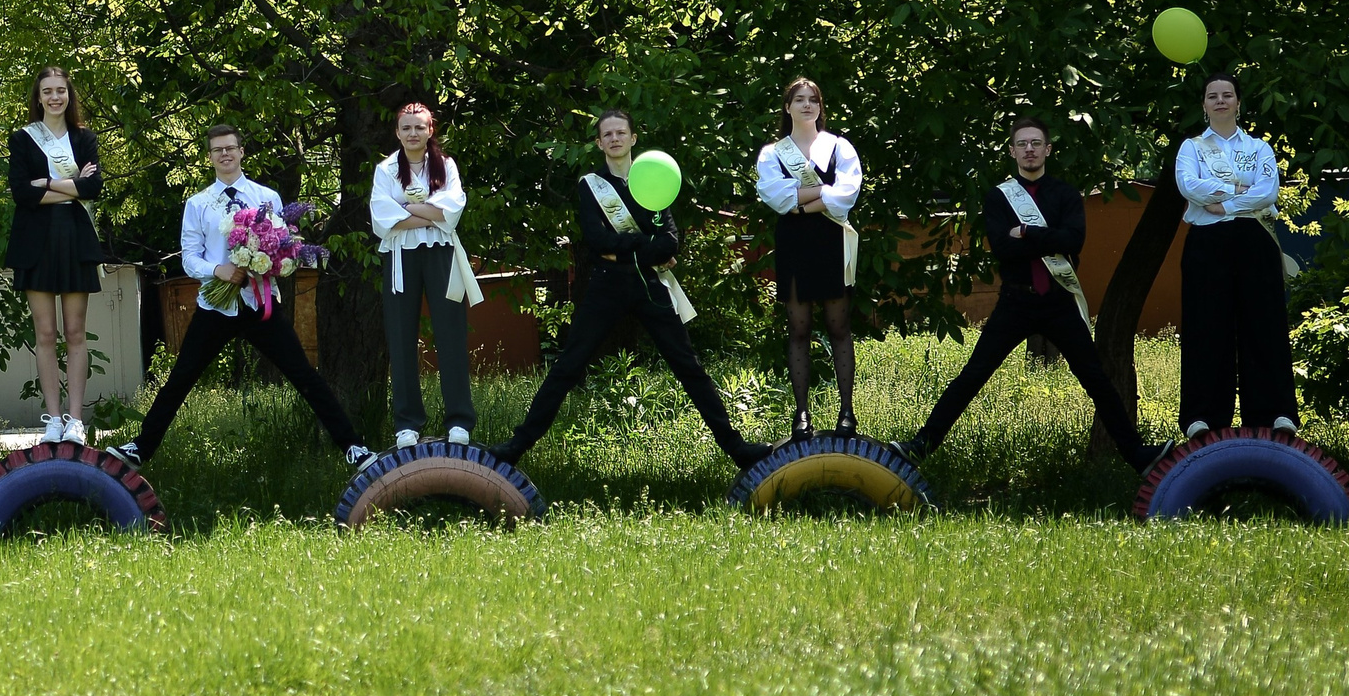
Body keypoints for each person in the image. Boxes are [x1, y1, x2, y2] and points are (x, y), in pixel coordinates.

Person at [486, 110, 771, 470]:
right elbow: (596, 240)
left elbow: (669, 243)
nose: (615, 139)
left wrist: (627, 244)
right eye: (608, 134)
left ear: (633, 138)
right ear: (599, 143)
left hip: (650, 286)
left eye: (621, 132)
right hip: (608, 284)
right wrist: (642, 244)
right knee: (568, 366)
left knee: (688, 367)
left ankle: (738, 449)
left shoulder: (653, 179)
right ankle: (516, 447)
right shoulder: (591, 186)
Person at [890, 117, 1170, 468]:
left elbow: (1074, 240)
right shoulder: (998, 197)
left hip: (1058, 302)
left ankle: (1138, 456)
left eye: (1036, 143)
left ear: (1048, 149)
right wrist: (1044, 236)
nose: (1029, 150)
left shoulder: (1066, 194)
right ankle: (921, 446)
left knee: (1096, 379)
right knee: (973, 375)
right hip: (1016, 301)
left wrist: (1027, 233)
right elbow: (1005, 249)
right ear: (1012, 151)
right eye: (1022, 144)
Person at [107, 125, 374, 471]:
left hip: (260, 304)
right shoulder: (198, 203)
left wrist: (271, 262)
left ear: (242, 151)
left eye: (230, 148)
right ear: (210, 157)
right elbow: (189, 257)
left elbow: (284, 247)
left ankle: (353, 448)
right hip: (216, 305)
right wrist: (219, 271)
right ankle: (140, 449)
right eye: (217, 150)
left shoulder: (268, 198)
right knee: (181, 378)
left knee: (304, 375)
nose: (224, 154)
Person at [1175, 73, 1300, 436]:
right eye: (1212, 95)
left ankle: (1274, 412)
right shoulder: (1191, 148)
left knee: (1264, 324)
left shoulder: (1259, 148)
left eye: (1227, 94)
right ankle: (1203, 416)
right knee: (1205, 326)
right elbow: (1189, 185)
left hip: (1254, 240)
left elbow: (1267, 192)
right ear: (1203, 104)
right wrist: (1235, 187)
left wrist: (1225, 204)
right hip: (1206, 243)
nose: (1220, 100)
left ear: (1238, 102)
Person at [756, 78, 864, 439]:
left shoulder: (839, 146)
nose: (807, 105)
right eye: (799, 99)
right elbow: (776, 197)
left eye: (813, 99)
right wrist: (822, 195)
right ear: (787, 107)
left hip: (832, 241)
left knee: (839, 327)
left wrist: (802, 202)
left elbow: (846, 195)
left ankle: (847, 413)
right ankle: (801, 415)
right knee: (799, 329)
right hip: (794, 244)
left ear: (820, 106)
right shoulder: (772, 152)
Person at [370, 103, 480, 448]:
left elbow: (452, 211)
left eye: (419, 127)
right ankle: (407, 423)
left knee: (450, 333)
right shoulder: (386, 170)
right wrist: (431, 213)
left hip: (441, 255)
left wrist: (404, 210)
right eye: (406, 128)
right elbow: (382, 219)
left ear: (430, 130)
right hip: (400, 257)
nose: (413, 133)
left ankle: (459, 421)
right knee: (401, 337)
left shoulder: (445, 166)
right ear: (397, 133)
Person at [7, 67, 105, 444]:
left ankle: (75, 420)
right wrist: (72, 185)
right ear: (38, 96)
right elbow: (21, 193)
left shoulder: (84, 138)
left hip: (75, 239)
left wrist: (46, 183)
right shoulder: (22, 139)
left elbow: (93, 186)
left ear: (69, 95)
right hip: (36, 241)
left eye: (60, 90)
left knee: (76, 333)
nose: (54, 97)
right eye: (47, 91)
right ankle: (52, 420)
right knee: (46, 333)